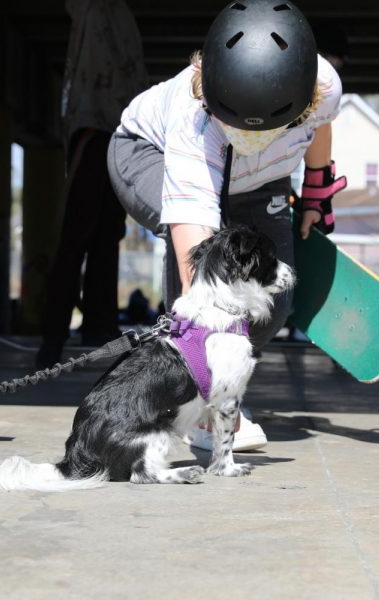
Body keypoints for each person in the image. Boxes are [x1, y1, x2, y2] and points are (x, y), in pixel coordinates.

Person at [106, 0, 347, 451]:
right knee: (210, 292)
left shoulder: (323, 84)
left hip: (262, 177)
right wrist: (207, 332)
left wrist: (316, 189)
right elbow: (195, 255)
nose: (247, 137)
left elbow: (322, 125)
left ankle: (221, 386)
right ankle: (195, 400)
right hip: (148, 154)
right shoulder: (191, 119)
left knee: (274, 300)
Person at [35, 0, 148, 368]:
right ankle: (54, 336)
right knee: (78, 235)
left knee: (107, 233)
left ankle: (99, 327)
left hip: (120, 130)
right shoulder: (94, 8)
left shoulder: (120, 15)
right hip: (93, 127)